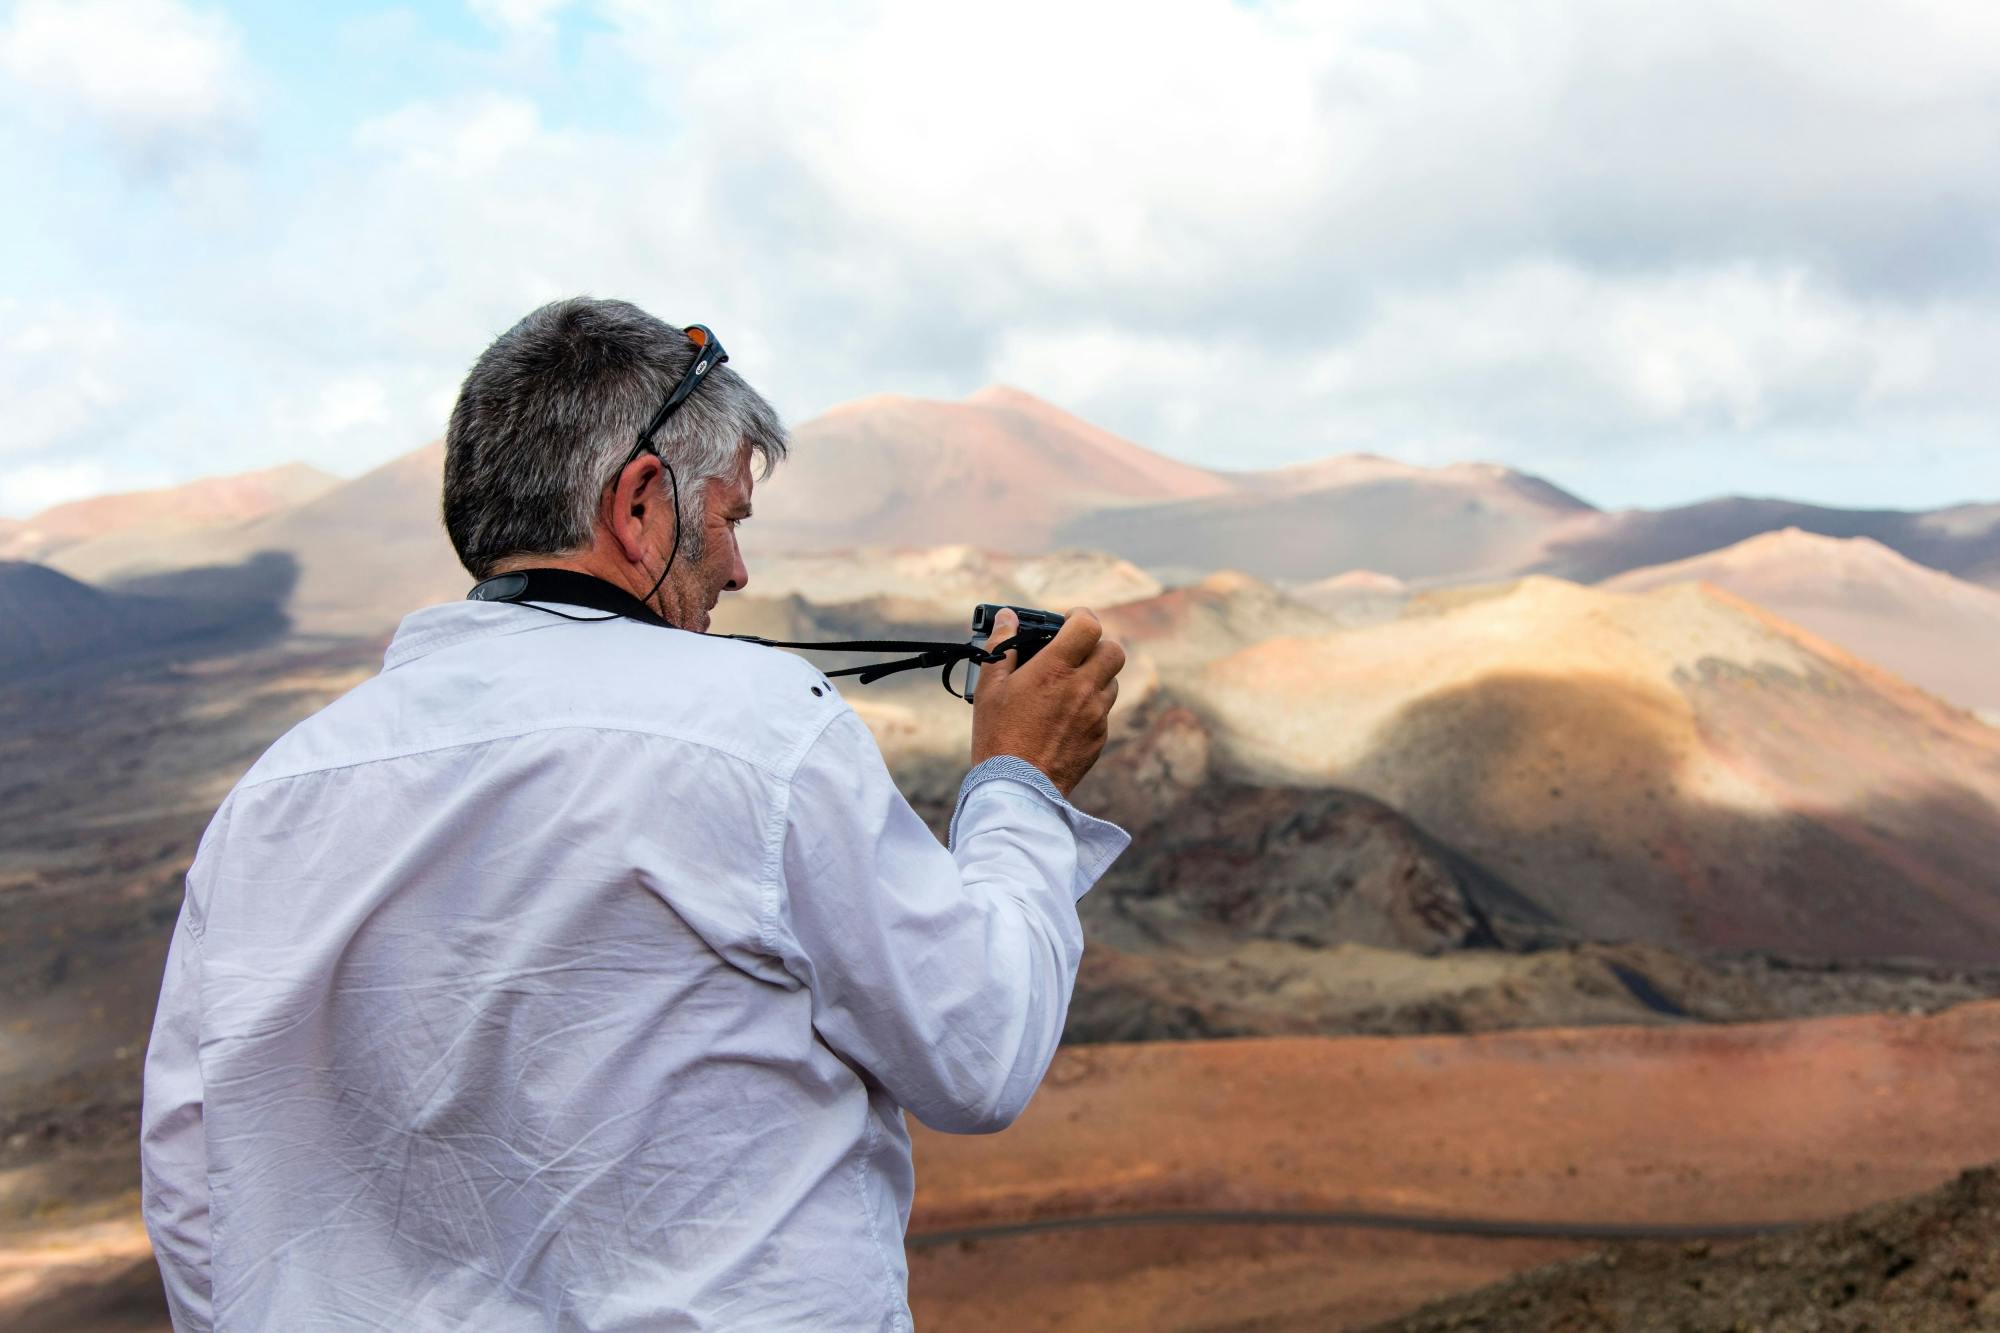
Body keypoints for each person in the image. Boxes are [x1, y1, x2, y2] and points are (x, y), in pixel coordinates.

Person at [140, 297, 1130, 1330]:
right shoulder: (755, 730)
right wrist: (1021, 783)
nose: (738, 570)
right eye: (729, 517)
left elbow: (192, 1168)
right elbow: (974, 1049)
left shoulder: (276, 791)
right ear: (640, 503)